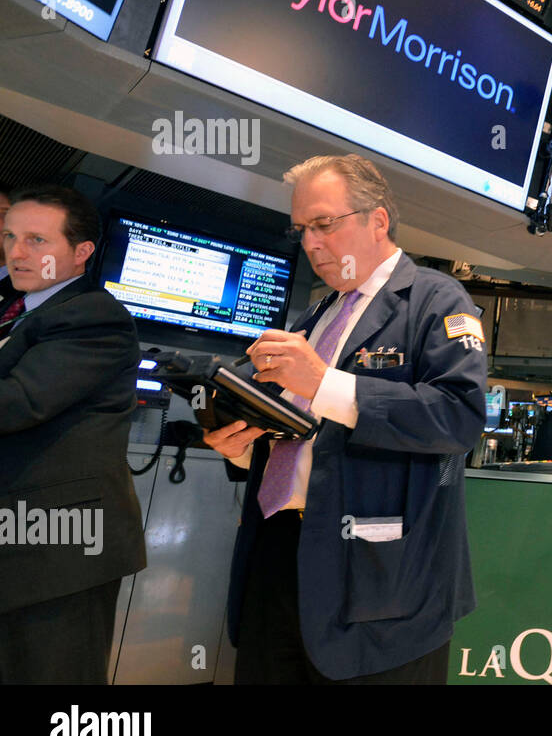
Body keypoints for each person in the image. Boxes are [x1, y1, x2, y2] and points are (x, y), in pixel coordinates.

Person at [202, 154, 486, 684]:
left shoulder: (434, 299)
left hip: (379, 576)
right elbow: (304, 435)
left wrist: (323, 383)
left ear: (377, 220)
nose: (310, 242)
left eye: (324, 224)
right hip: (279, 554)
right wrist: (242, 443)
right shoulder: (318, 314)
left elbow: (459, 418)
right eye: (302, 229)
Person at [0, 185, 147, 683]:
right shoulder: (18, 312)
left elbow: (19, 402)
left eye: (37, 240)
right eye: (10, 236)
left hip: (58, 549)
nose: (18, 252)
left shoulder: (92, 315)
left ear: (81, 251)